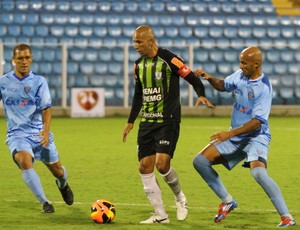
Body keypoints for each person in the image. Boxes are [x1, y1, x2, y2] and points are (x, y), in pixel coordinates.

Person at [192, 46, 296, 227]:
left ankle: (286, 216)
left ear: (256, 64)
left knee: (258, 173)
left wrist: (228, 134)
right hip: (235, 135)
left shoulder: (263, 87)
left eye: (244, 63)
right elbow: (223, 85)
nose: (240, 66)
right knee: (200, 161)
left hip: (256, 137)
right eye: (240, 62)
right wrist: (209, 78)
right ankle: (227, 201)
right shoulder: (240, 76)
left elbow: (257, 122)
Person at [122, 25, 214, 224]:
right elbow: (138, 94)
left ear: (150, 41)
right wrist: (131, 121)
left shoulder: (170, 59)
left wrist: (201, 95)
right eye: (134, 42)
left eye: (138, 42)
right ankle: (160, 215)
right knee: (145, 167)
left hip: (168, 120)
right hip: (147, 122)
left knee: (162, 164)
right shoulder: (138, 66)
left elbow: (192, 78)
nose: (135, 46)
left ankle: (180, 198)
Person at [0, 43, 74, 213]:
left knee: (58, 171)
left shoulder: (39, 82)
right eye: (20, 58)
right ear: (13, 60)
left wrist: (46, 131)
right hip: (17, 135)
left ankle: (63, 184)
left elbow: (46, 109)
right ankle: (45, 202)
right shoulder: (3, 82)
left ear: (31, 58)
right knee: (24, 161)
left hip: (39, 133)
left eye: (27, 58)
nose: (24, 61)